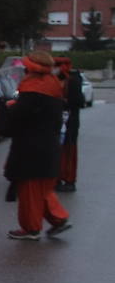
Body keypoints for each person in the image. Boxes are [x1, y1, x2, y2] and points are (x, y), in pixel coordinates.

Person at [2, 51, 71, 239]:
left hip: (31, 147)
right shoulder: (53, 84)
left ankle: (31, 228)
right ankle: (58, 218)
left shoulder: (33, 88)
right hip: (48, 145)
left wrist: (11, 108)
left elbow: (22, 115)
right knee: (42, 189)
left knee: (30, 190)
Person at [54, 55, 83, 192]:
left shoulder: (73, 80)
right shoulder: (54, 79)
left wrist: (64, 103)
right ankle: (57, 178)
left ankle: (69, 179)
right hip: (56, 122)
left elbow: (78, 102)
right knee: (56, 151)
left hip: (69, 122)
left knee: (68, 150)